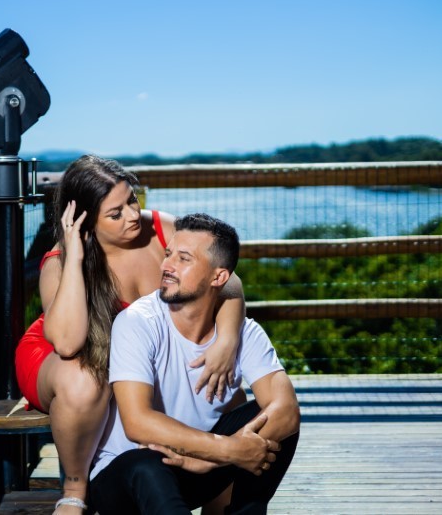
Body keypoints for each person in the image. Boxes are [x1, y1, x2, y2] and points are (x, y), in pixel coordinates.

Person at [14, 156, 248, 514]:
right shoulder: (60, 262)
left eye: (131, 200)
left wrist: (228, 341)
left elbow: (228, 280)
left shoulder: (162, 229)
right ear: (84, 221)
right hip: (63, 360)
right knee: (85, 380)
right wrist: (75, 256)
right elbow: (67, 344)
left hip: (137, 356)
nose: (132, 215)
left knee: (228, 390)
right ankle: (74, 488)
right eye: (115, 213)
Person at [88, 213, 301, 515]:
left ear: (218, 277)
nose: (166, 265)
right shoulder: (137, 322)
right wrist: (226, 450)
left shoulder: (244, 333)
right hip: (126, 476)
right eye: (168, 254)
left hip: (196, 465)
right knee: (147, 465)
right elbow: (137, 422)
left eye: (184, 259)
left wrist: (209, 458)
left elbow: (287, 411)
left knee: (271, 422)